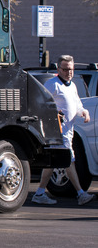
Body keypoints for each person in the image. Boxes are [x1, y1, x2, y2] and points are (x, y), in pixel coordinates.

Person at [32, 55, 95, 206]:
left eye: (71, 69)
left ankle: (39, 193)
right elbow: (40, 103)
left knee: (54, 163)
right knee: (69, 161)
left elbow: (77, 104)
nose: (69, 72)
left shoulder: (72, 86)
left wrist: (84, 112)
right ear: (59, 69)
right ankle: (81, 194)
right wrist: (54, 113)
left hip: (69, 131)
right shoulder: (52, 84)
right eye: (65, 69)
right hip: (57, 132)